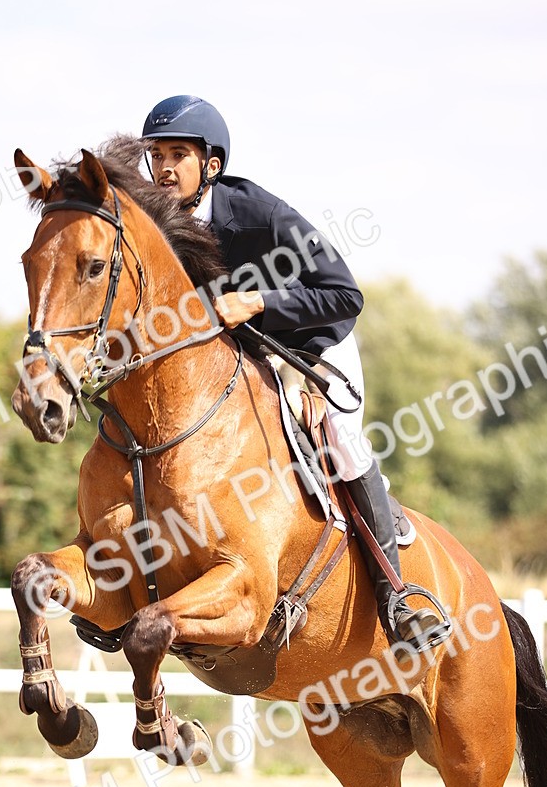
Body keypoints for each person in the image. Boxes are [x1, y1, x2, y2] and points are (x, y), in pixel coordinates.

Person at [141, 94, 450, 654]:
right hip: (236, 359)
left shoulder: (257, 214)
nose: (162, 168)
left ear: (211, 165)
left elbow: (344, 294)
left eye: (177, 154)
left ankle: (396, 594)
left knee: (341, 438)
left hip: (310, 347)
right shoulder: (156, 221)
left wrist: (256, 301)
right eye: (156, 154)